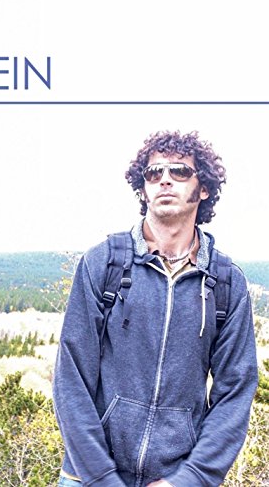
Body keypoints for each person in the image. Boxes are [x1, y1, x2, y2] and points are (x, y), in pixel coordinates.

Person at [53, 131, 258, 487]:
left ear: (203, 188)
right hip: (88, 477)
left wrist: (190, 479)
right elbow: (71, 380)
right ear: (143, 188)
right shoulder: (104, 264)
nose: (164, 179)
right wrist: (102, 477)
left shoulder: (225, 283)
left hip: (175, 480)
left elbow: (234, 393)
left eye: (180, 171)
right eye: (153, 172)